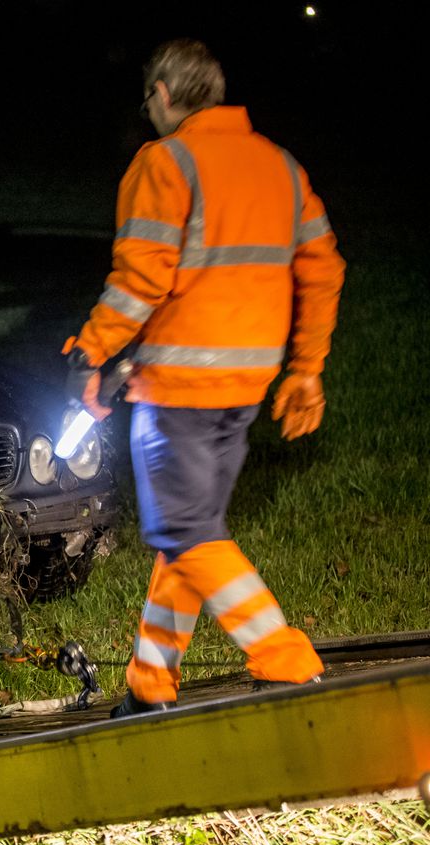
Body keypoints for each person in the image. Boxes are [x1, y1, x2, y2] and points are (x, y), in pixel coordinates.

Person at [62, 38, 346, 716]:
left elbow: (140, 280)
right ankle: (148, 682)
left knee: (187, 532)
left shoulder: (164, 162)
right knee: (188, 536)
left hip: (177, 393)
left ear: (162, 94)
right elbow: (324, 269)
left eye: (148, 100)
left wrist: (90, 353)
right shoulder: (280, 165)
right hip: (245, 392)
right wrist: (306, 370)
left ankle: (282, 655)